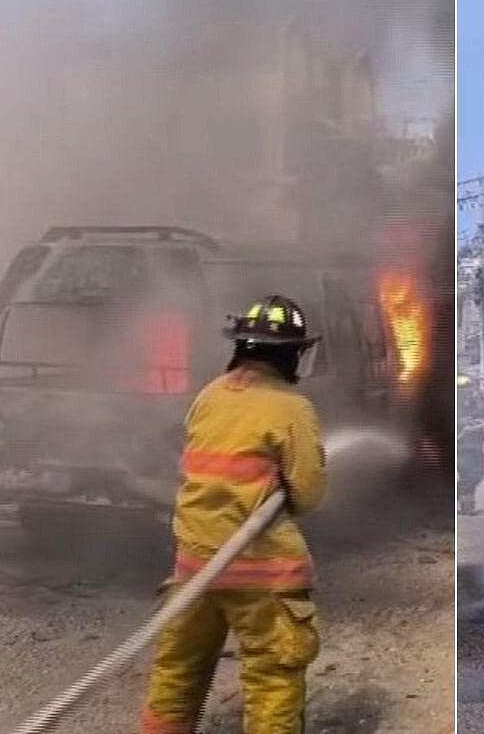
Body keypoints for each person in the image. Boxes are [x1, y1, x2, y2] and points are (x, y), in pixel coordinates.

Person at [140, 295, 327, 734]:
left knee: (177, 674)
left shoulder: (208, 395)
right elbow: (309, 492)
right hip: (263, 573)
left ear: (241, 345)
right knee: (272, 679)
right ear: (291, 352)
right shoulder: (291, 407)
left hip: (195, 566)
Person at [456, 375, 484, 516]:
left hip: (476, 447)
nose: (467, 391)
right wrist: (463, 422)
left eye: (469, 387)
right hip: (463, 447)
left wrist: (477, 420)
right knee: (468, 476)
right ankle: (466, 506)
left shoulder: (475, 402)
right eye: (463, 389)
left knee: (478, 474)